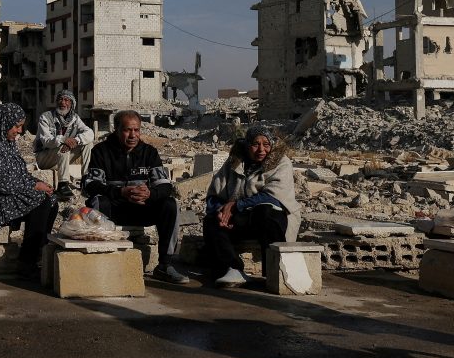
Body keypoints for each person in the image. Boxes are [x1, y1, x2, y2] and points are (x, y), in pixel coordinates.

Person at [83, 110, 191, 285]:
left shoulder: (149, 153)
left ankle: (165, 265)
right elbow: (90, 185)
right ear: (116, 130)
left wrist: (150, 194)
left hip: (142, 209)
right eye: (127, 130)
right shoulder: (100, 151)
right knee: (97, 202)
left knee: (170, 204)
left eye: (137, 130)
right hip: (114, 209)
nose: (133, 135)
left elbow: (165, 186)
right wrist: (121, 192)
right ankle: (99, 261)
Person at [0, 102, 57, 278]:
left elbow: (18, 172)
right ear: (4, 122)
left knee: (51, 200)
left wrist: (37, 183)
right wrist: (34, 186)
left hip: (1, 191)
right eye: (17, 126)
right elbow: (1, 183)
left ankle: (39, 253)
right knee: (40, 201)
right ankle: (27, 262)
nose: (20, 131)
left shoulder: (5, 140)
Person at [202, 125, 300, 288]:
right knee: (211, 222)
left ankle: (275, 271)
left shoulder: (281, 163)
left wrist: (236, 205)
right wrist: (220, 211)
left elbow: (274, 197)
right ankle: (232, 268)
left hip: (271, 219)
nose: (261, 149)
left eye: (266, 144)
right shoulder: (234, 163)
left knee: (265, 211)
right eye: (256, 144)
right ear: (247, 145)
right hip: (240, 219)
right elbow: (214, 194)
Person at [34, 89, 96, 200]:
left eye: (67, 100)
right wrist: (63, 140)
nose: (63, 103)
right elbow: (46, 140)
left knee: (88, 144)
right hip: (44, 158)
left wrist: (76, 140)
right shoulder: (46, 117)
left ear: (72, 104)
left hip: (62, 158)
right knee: (62, 147)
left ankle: (86, 179)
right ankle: (63, 185)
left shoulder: (75, 119)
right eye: (60, 99)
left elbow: (90, 133)